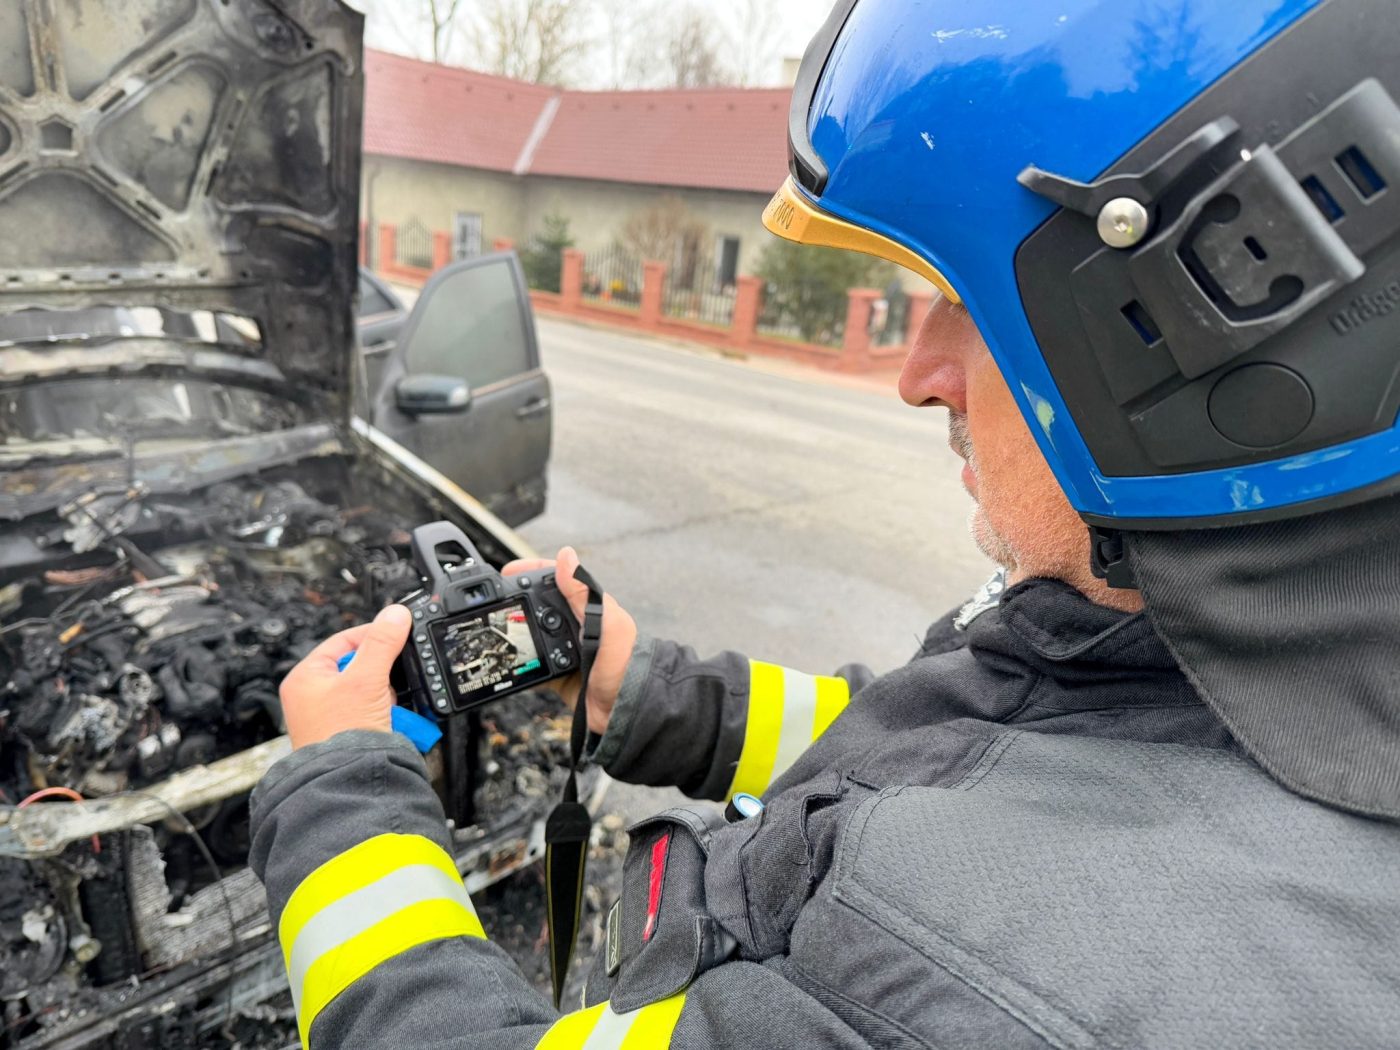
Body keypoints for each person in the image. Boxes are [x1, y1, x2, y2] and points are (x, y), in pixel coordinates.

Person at [251, 1, 1400, 1046]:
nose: (917, 374)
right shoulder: (1218, 639)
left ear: (1185, 332)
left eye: (962, 306)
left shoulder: (949, 971)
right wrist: (639, 689)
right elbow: (946, 745)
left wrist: (340, 787)